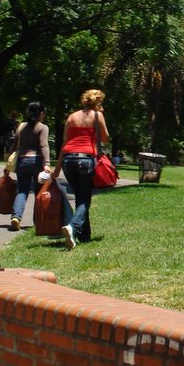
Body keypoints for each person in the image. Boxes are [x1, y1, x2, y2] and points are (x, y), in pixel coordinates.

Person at [50, 89, 110, 249]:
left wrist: (56, 169)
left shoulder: (71, 117)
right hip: (86, 159)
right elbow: (105, 138)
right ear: (98, 102)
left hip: (68, 160)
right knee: (84, 199)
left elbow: (64, 143)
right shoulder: (98, 116)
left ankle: (85, 235)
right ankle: (73, 228)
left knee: (80, 197)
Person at [8, 101, 52, 231]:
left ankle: (16, 217)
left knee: (22, 191)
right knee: (39, 192)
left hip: (22, 161)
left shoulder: (21, 126)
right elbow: (44, 145)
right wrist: (47, 164)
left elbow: (14, 145)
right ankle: (37, 221)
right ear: (41, 114)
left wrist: (8, 163)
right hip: (37, 161)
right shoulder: (42, 127)